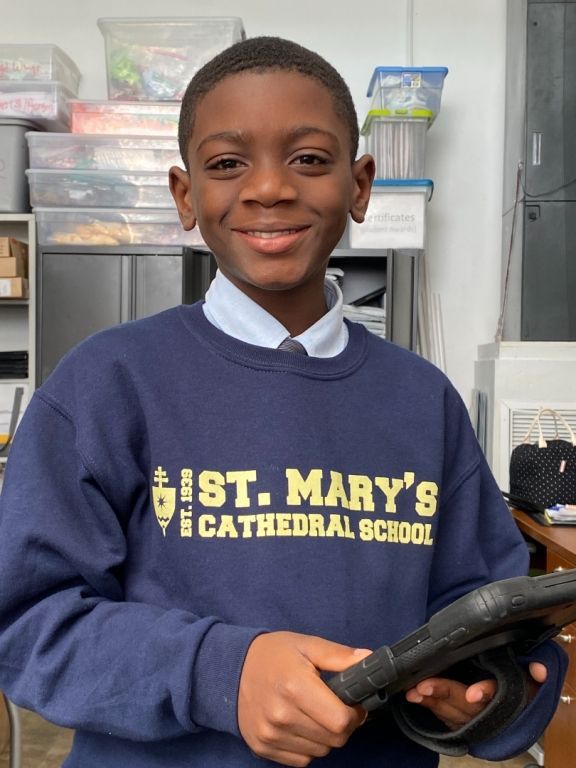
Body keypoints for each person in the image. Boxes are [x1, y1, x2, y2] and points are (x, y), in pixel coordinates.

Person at [0, 36, 567, 768]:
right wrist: (220, 672)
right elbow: (27, 623)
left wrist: (489, 693)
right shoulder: (105, 384)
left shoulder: (423, 402)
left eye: (308, 158)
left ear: (360, 184)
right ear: (185, 194)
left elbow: (491, 615)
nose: (270, 188)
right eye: (228, 163)